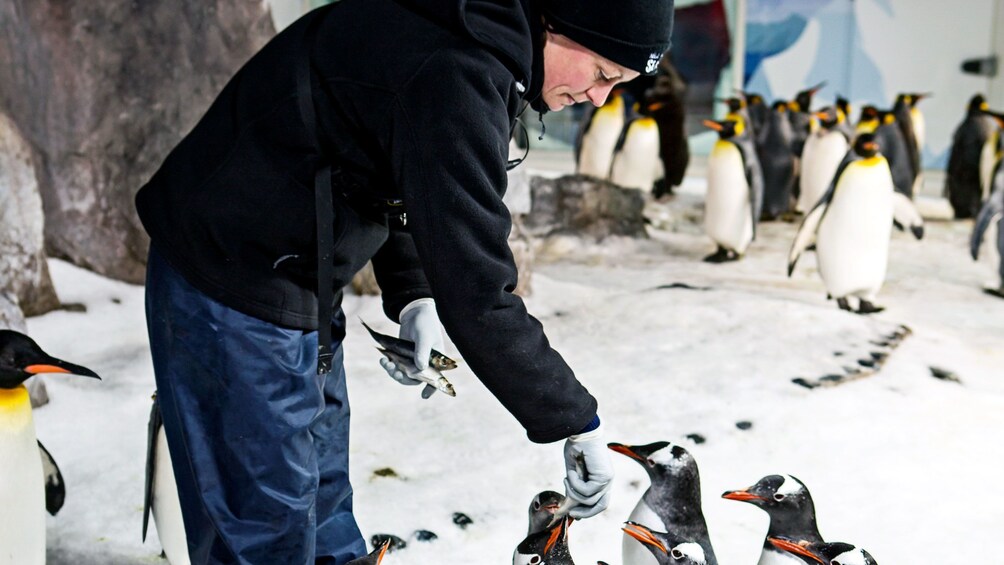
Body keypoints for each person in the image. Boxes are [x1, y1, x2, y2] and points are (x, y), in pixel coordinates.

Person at [136, 0, 674, 563]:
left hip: (296, 273)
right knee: (263, 528)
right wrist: (573, 419)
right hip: (233, 275)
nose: (599, 98)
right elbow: (479, 290)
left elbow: (392, 161)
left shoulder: (467, 38)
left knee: (321, 509)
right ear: (556, 24)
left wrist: (415, 292)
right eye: (603, 74)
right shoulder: (456, 67)